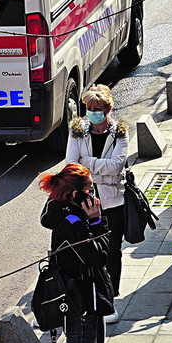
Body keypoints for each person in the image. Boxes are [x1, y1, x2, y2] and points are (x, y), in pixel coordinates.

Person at [39, 163, 114, 343]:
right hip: (82, 309)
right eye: (89, 191)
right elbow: (100, 256)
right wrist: (97, 222)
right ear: (74, 195)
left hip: (92, 304)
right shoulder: (73, 223)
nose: (94, 197)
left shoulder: (66, 212)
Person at [66, 84, 128, 324]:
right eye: (89, 108)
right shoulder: (77, 131)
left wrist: (87, 163)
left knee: (111, 252)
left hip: (113, 202)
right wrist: (97, 167)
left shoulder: (120, 132)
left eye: (97, 108)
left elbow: (117, 166)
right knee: (87, 251)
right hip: (84, 203)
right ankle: (88, 295)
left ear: (108, 108)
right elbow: (72, 165)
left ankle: (110, 299)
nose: (92, 112)